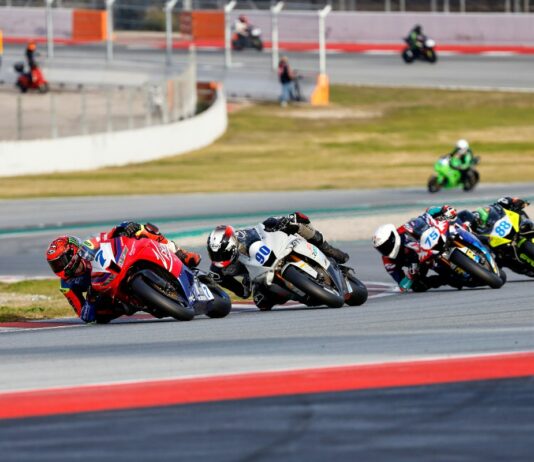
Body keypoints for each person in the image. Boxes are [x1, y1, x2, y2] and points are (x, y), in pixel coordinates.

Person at [46, 221, 201, 323]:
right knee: (99, 316)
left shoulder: (89, 246)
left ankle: (181, 254)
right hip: (108, 295)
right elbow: (85, 316)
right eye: (54, 265)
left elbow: (109, 235)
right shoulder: (67, 285)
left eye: (60, 262)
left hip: (118, 267)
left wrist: (124, 227)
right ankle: (133, 304)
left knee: (143, 229)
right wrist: (91, 299)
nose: (59, 267)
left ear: (72, 252)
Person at [206, 212, 349, 310]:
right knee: (262, 302)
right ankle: (302, 295)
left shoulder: (244, 237)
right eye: (215, 255)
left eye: (222, 254)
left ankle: (327, 248)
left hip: (275, 251)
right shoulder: (218, 270)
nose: (219, 259)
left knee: (296, 219)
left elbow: (262, 227)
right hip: (259, 277)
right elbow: (243, 293)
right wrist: (244, 283)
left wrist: (278, 223)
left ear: (232, 246)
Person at [372, 205, 458, 292]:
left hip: (431, 242)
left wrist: (442, 210)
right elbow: (402, 284)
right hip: (422, 263)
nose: (384, 249)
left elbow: (425, 216)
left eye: (385, 245)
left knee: (458, 219)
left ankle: (465, 231)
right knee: (417, 286)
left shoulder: (403, 230)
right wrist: (410, 276)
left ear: (392, 237)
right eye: (381, 248)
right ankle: (446, 279)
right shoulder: (388, 261)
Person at [456, 197, 534, 275]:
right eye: (479, 222)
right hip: (498, 245)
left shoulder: (496, 207)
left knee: (526, 223)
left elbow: (510, 200)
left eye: (481, 222)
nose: (480, 223)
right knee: (499, 266)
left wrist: (516, 201)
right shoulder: (471, 231)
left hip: (515, 228)